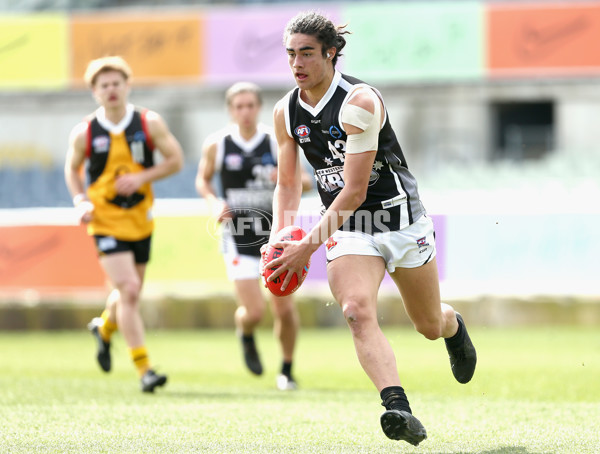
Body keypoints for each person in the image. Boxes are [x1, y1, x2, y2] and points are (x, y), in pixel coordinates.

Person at [263, 11, 477, 445]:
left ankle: (452, 325)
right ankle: (397, 407)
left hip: (398, 220)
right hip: (349, 229)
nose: (297, 64)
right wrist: (280, 238)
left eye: (307, 53)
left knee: (428, 325)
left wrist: (306, 249)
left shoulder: (359, 102)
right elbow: (288, 183)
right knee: (356, 311)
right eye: (290, 54)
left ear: (332, 53)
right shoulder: (286, 110)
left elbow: (356, 190)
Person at [64, 56, 184, 393]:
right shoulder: (85, 132)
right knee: (129, 290)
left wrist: (143, 176)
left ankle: (103, 329)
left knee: (127, 293)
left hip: (141, 219)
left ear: (127, 86)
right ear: (94, 91)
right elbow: (71, 170)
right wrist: (80, 200)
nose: (111, 89)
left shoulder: (149, 123)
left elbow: (176, 160)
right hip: (104, 220)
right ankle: (145, 369)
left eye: (117, 83)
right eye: (104, 85)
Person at [195, 82, 312, 390]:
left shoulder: (275, 142)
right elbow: (203, 181)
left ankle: (286, 369)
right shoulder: (218, 144)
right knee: (255, 311)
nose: (245, 112)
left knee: (284, 308)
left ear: (258, 107)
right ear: (230, 110)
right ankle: (245, 330)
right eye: (238, 106)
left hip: (275, 237)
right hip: (239, 237)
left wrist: (285, 178)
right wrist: (214, 203)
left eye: (250, 105)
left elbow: (306, 182)